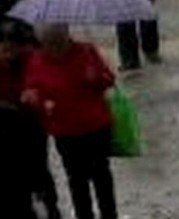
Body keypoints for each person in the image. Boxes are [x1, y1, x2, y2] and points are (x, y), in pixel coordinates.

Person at [20, 22, 118, 219]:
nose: (55, 49)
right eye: (49, 45)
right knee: (76, 179)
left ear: (66, 37)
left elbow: (108, 79)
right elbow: (31, 91)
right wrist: (36, 100)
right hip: (65, 131)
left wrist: (97, 77)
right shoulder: (37, 61)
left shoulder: (86, 51)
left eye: (58, 44)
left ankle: (109, 214)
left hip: (95, 127)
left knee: (101, 175)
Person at [0, 20, 64, 219]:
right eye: (4, 46)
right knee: (13, 171)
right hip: (6, 124)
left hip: (31, 123)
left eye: (12, 46)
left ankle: (49, 205)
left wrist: (34, 98)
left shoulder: (34, 61)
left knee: (38, 167)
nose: (8, 51)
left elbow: (49, 89)